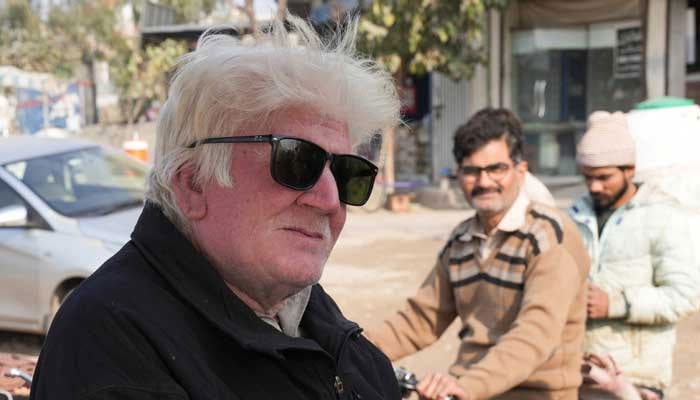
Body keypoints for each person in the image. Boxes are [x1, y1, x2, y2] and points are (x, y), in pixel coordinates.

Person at [30, 15, 402, 400]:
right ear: (192, 184)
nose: (329, 201)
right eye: (296, 162)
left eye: (346, 173)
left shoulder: (298, 306)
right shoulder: (111, 342)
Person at [365, 107, 590, 400]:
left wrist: (466, 386)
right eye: (472, 171)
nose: (484, 182)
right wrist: (351, 349)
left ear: (520, 170)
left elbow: (535, 334)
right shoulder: (461, 240)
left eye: (496, 169)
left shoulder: (549, 237)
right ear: (459, 175)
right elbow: (419, 321)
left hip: (535, 392)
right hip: (466, 389)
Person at [569, 111, 700, 400]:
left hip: (636, 379)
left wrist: (614, 303)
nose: (594, 187)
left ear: (630, 169)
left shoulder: (663, 216)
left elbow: (686, 296)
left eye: (604, 177)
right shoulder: (574, 217)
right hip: (579, 374)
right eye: (588, 178)